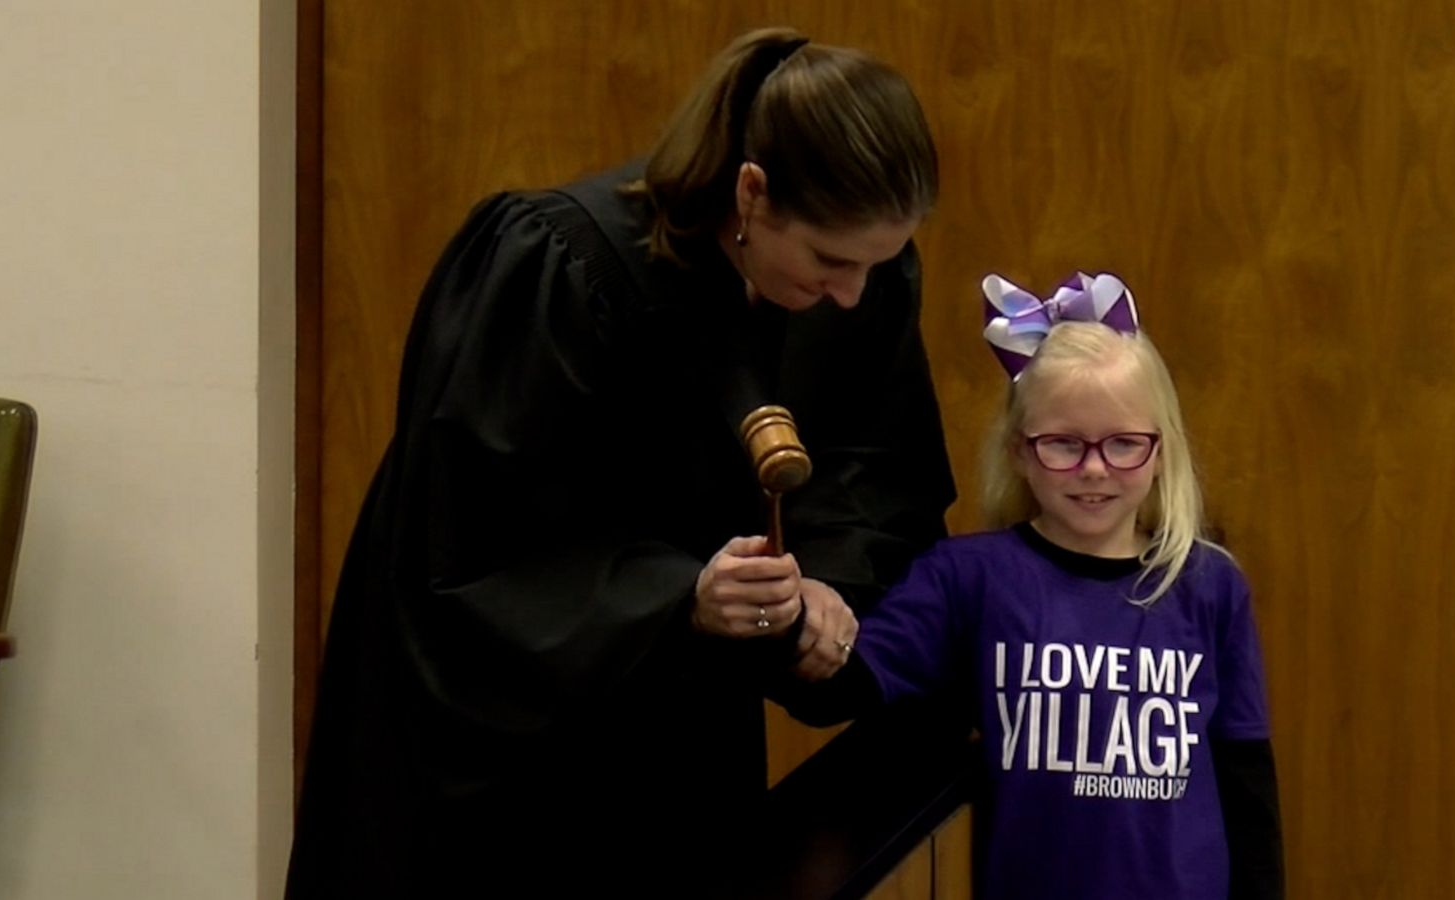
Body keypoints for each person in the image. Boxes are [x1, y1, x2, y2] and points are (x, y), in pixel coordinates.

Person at [285, 26, 956, 899]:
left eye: (879, 261)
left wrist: (820, 595)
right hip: (511, 779)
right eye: (831, 260)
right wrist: (678, 597)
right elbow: (474, 547)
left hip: (682, 754)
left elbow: (876, 478)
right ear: (750, 192)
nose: (853, 293)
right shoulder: (559, 268)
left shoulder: (859, 285)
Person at [778, 272, 1284, 899]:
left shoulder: (1209, 587)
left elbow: (1246, 781)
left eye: (1125, 443)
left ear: (1162, 452)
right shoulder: (967, 579)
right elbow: (848, 678)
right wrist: (795, 619)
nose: (1094, 469)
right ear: (1019, 449)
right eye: (1063, 444)